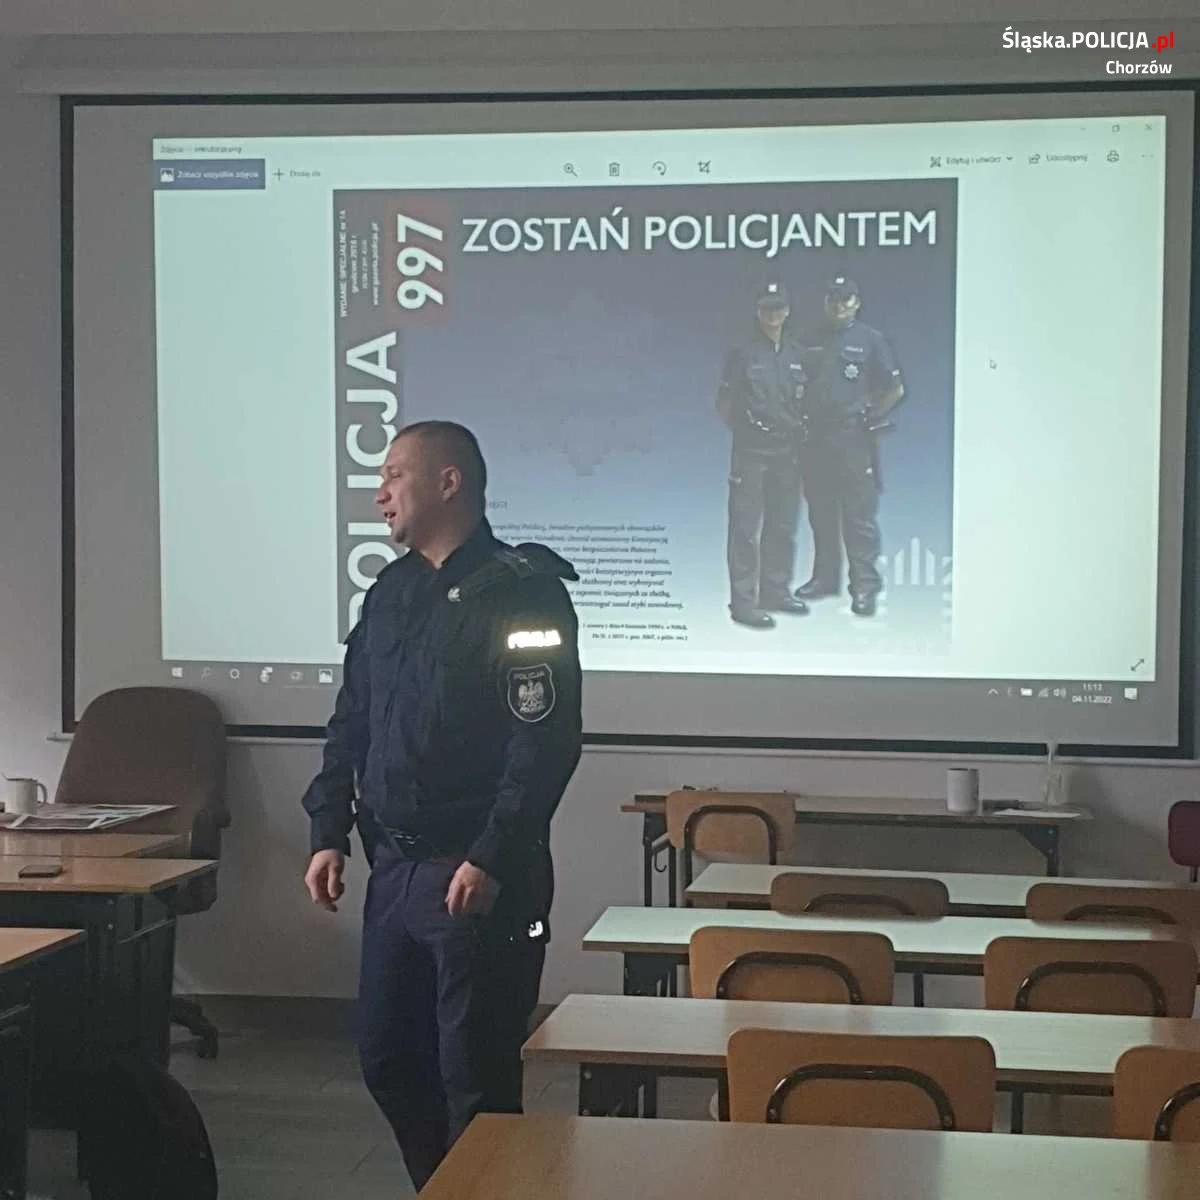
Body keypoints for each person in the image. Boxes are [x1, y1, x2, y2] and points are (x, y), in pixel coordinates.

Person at [300, 420, 582, 1190]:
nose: (380, 494)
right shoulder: (390, 594)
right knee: (388, 1059)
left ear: (449, 482)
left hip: (477, 875)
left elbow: (542, 739)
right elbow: (352, 719)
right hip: (394, 870)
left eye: (395, 475)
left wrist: (492, 854)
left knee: (476, 1078)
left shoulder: (523, 591)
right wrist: (328, 829)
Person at [794, 276, 905, 617]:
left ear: (857, 302)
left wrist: (870, 416)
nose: (838, 305)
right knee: (821, 514)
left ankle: (865, 589)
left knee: (858, 517)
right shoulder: (809, 339)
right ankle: (825, 580)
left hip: (852, 439)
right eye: (833, 298)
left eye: (845, 299)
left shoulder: (871, 340)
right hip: (815, 439)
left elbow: (895, 389)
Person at [716, 281, 811, 629]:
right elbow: (725, 404)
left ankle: (775, 592)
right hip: (752, 452)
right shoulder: (742, 353)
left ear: (787, 310)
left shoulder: (797, 354)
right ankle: (743, 603)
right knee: (745, 527)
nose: (773, 314)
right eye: (767, 308)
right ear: (758, 312)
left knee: (782, 524)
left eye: (778, 307)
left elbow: (806, 403)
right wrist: (748, 435)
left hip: (788, 452)